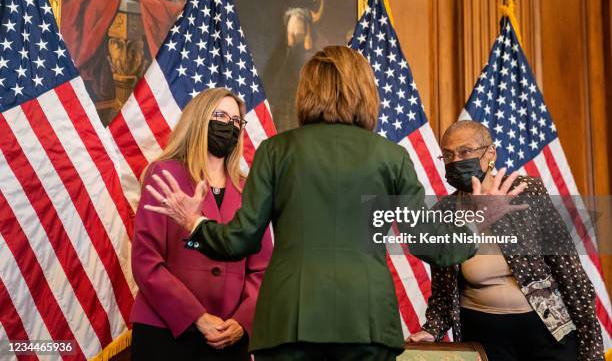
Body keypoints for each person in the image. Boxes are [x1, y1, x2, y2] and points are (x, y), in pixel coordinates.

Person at [144, 46, 526, 360]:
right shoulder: (390, 156)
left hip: (287, 326)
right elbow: (430, 245)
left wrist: (194, 223)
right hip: (367, 324)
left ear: (306, 92)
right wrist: (479, 219)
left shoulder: (275, 152)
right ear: (366, 93)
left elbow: (239, 241)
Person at [408, 120, 604, 361]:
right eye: (448, 155)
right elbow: (443, 291)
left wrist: (590, 345)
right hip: (484, 335)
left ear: (490, 153)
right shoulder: (443, 212)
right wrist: (432, 330)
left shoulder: (527, 190)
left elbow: (568, 268)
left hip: (548, 327)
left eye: (466, 151)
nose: (456, 161)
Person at [129, 88, 273, 361]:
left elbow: (261, 268)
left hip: (229, 336)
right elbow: (146, 261)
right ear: (200, 118)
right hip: (167, 331)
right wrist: (196, 316)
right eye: (219, 116)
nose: (228, 126)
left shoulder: (249, 189)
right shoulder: (165, 174)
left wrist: (243, 321)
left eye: (235, 122)